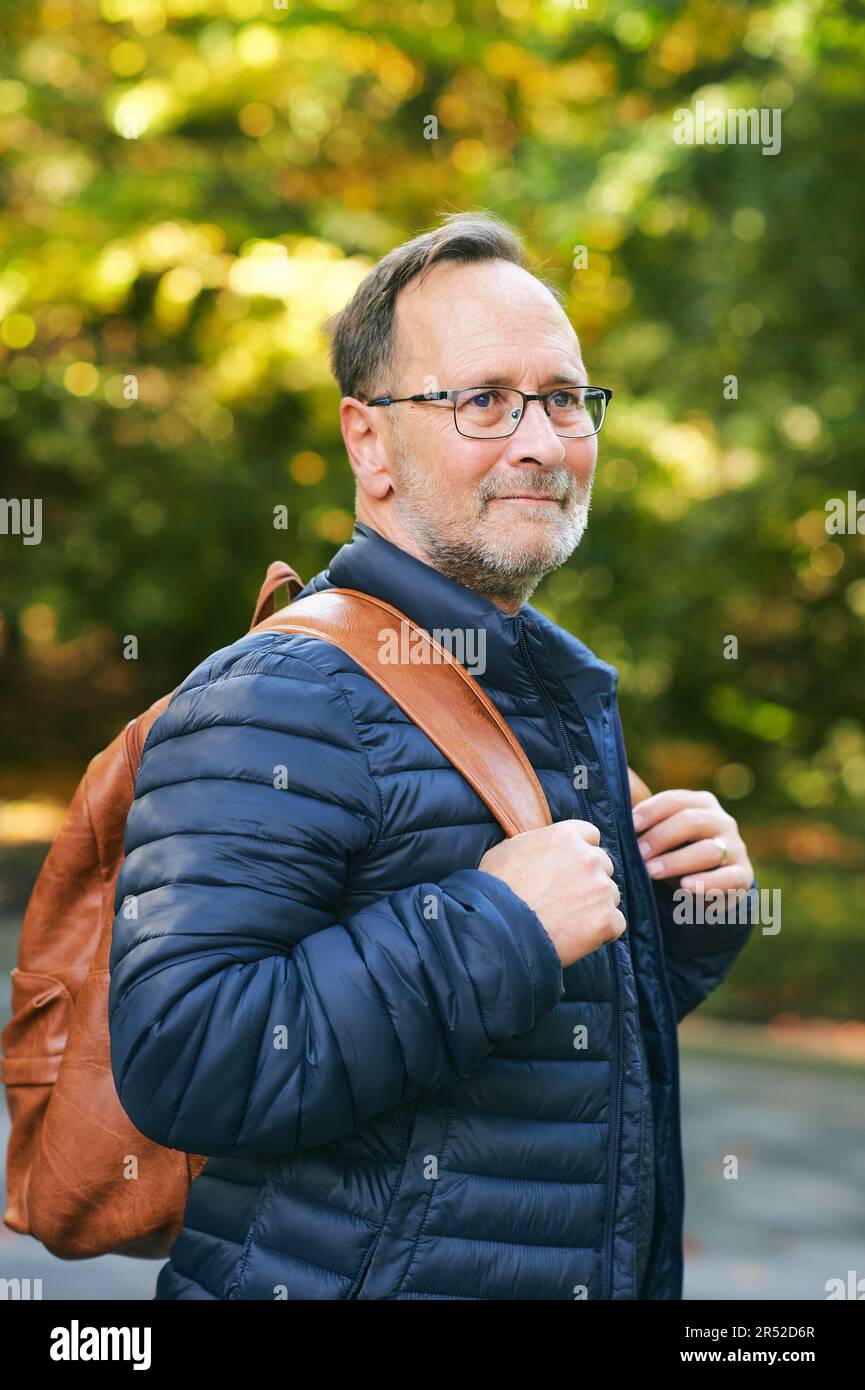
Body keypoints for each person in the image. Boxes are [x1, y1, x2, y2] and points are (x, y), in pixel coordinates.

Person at [108, 211, 756, 1301]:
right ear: (369, 442)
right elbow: (182, 1061)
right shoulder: (280, 693)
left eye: (563, 398)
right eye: (483, 401)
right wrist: (496, 927)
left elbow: (526, 1071)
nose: (542, 442)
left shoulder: (533, 685)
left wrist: (675, 918)